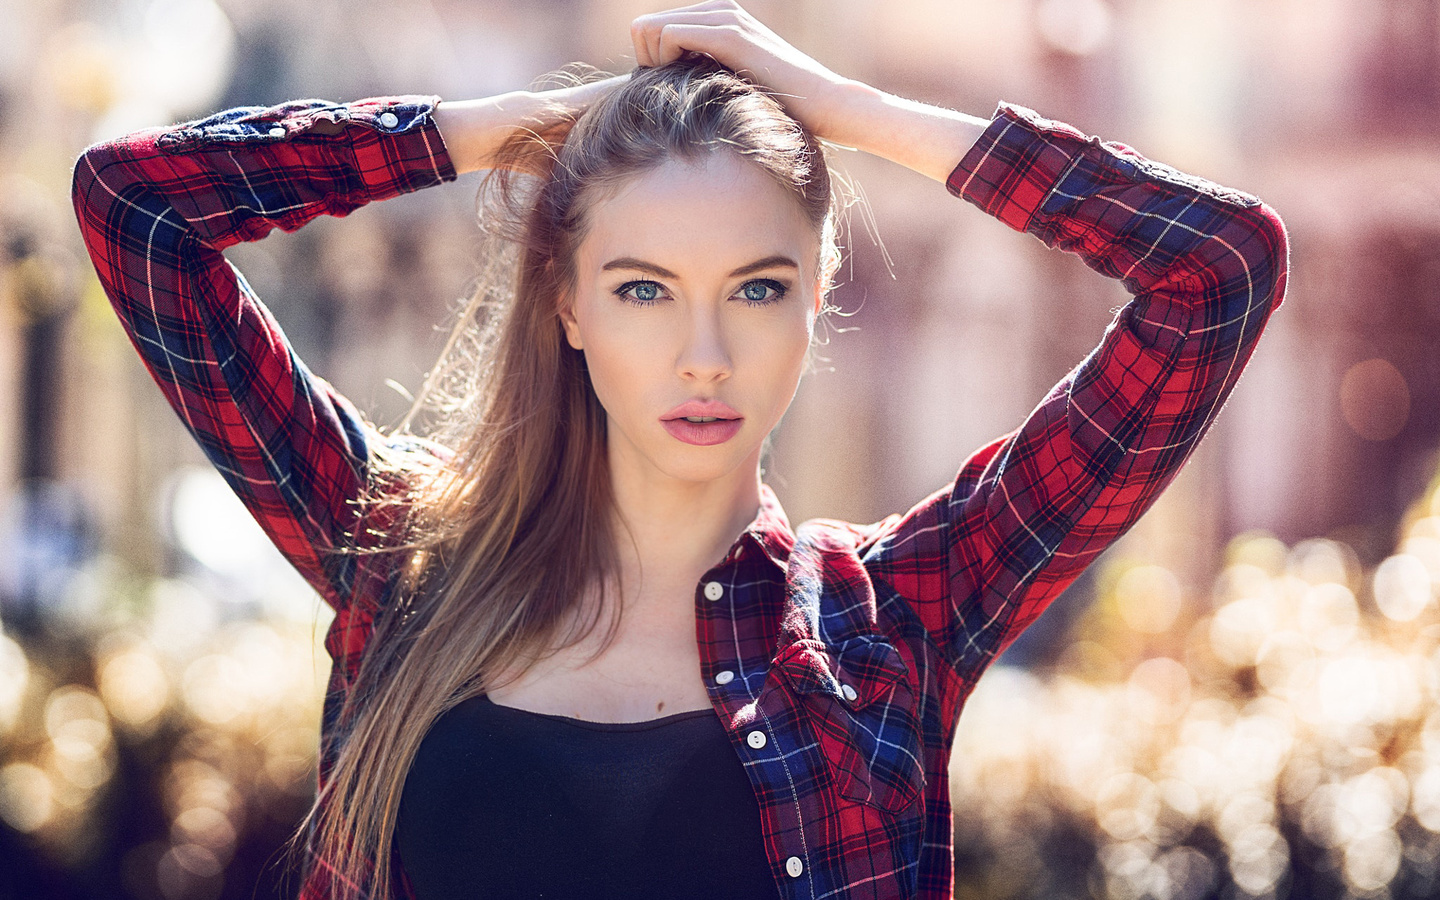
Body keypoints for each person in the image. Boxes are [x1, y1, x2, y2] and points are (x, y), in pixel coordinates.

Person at [69, 1, 1290, 898]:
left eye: (756, 290)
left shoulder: (898, 615)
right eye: (644, 289)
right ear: (568, 305)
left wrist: (854, 117)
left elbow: (1217, 273)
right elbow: (137, 212)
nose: (703, 355)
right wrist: (489, 134)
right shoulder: (402, 561)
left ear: (818, 297)